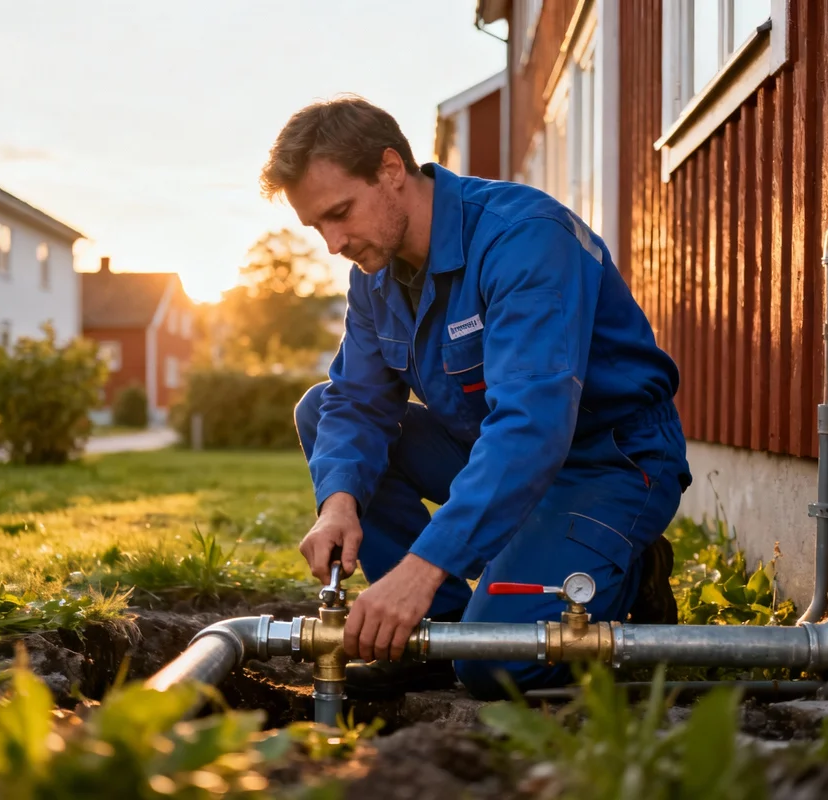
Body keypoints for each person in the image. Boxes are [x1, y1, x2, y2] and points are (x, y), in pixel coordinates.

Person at [258, 95, 692, 700]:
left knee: (498, 667)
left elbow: (532, 426)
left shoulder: (524, 239)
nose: (333, 244)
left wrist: (422, 563)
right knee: (321, 410)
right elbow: (356, 403)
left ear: (390, 170)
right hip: (493, 447)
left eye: (340, 213)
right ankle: (437, 628)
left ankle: (629, 575)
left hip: (607, 461)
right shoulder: (375, 278)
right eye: (317, 227)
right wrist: (336, 504)